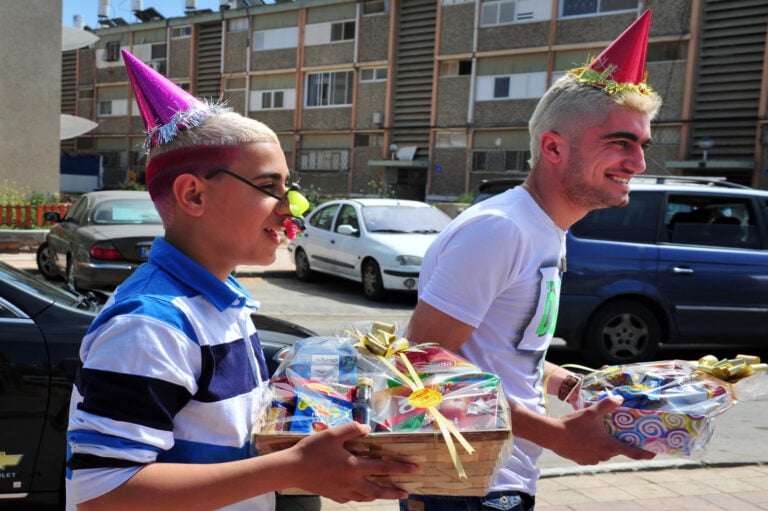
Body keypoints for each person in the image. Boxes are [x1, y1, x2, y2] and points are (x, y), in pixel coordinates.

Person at [65, 50, 416, 511]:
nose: (291, 208)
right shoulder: (152, 325)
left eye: (288, 187)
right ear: (193, 194)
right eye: (270, 187)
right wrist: (292, 468)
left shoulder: (221, 303)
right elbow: (101, 493)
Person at [402, 10, 662, 511]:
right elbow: (422, 362)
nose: (639, 163)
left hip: (497, 477)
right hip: (466, 482)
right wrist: (557, 434)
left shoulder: (544, 229)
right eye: (620, 143)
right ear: (553, 147)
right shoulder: (502, 229)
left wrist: (568, 383)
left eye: (642, 145)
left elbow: (496, 352)